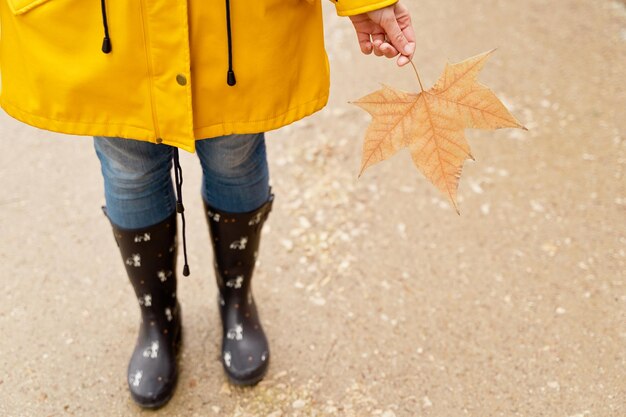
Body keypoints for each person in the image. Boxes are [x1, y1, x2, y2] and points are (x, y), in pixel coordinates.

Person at [0, 0, 415, 409]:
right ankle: (156, 317)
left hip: (231, 21)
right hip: (103, 24)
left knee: (235, 153)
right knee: (129, 168)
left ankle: (236, 299)